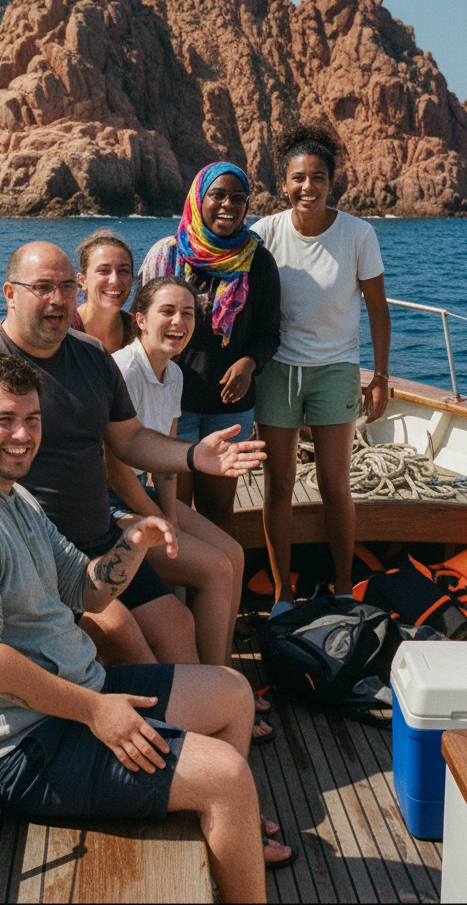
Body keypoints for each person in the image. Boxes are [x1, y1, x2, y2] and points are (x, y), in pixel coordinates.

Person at [0, 352, 292, 897]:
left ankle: (216, 827)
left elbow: (84, 588)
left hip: (80, 695)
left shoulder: (13, 494)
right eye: (4, 420)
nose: (23, 435)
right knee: (226, 776)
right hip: (30, 745)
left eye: (32, 420)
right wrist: (98, 712)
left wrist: (132, 542)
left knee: (231, 691)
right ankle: (221, 812)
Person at [0, 241, 267, 669]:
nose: (58, 299)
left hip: (103, 539)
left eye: (67, 287)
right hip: (36, 558)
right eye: (43, 287)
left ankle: (203, 718)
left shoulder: (91, 356)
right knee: (128, 643)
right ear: (10, 294)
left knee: (178, 628)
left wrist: (192, 455)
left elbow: (128, 440)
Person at [105, 276, 274, 743]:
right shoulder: (122, 371)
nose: (178, 322)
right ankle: (218, 696)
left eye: (188, 313)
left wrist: (174, 519)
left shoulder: (175, 373)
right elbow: (116, 469)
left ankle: (226, 685)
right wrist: (159, 522)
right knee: (216, 570)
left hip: (152, 500)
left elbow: (167, 459)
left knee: (233, 556)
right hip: (117, 507)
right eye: (167, 312)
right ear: (139, 319)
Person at [251, 123, 391, 614]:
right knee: (280, 482)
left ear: (333, 183)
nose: (306, 187)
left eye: (317, 177)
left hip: (336, 370)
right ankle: (283, 596)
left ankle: (343, 586)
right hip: (278, 370)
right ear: (283, 183)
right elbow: (228, 279)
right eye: (297, 178)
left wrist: (380, 376)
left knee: (335, 483)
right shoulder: (265, 232)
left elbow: (377, 308)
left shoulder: (358, 234)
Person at [139, 162, 282, 539]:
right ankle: (180, 594)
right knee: (174, 508)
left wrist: (249, 364)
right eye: (217, 195)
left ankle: (222, 591)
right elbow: (139, 323)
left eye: (238, 197)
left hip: (229, 411)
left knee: (219, 509)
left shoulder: (258, 261)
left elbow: (270, 333)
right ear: (198, 199)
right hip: (174, 405)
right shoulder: (167, 256)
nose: (228, 205)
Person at [70, 228, 138, 352]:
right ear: (83, 280)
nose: (115, 280)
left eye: (123, 271)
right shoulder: (65, 331)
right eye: (103, 271)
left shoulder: (140, 331)